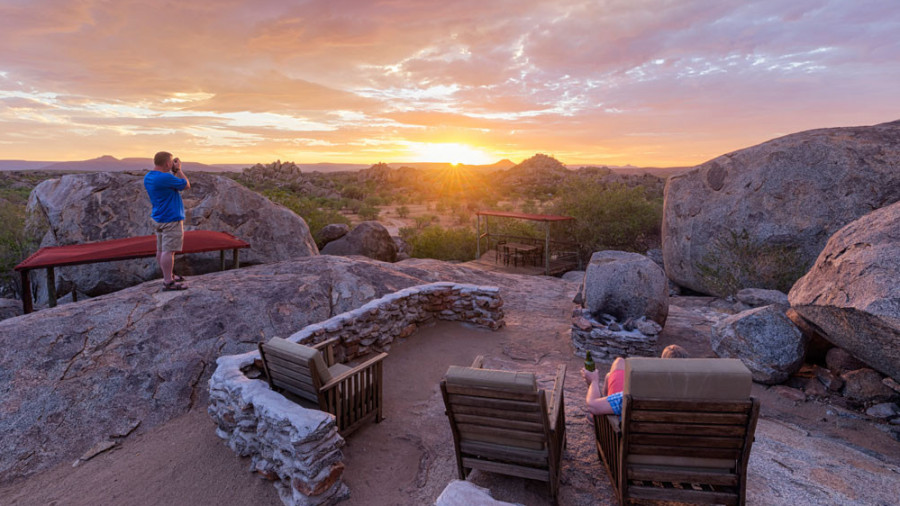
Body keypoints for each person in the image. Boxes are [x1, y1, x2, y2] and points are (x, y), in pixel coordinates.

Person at [582, 345, 692, 417]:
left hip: (635, 448)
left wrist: (594, 381)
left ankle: (601, 417)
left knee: (618, 364)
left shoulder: (639, 394)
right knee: (614, 370)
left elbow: (593, 406)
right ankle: (608, 378)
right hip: (683, 449)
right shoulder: (699, 396)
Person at [144, 151, 190, 291]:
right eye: (171, 163)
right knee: (168, 251)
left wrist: (173, 172)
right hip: (171, 218)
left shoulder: (149, 177)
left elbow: (170, 185)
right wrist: (179, 170)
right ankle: (168, 281)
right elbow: (186, 185)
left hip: (159, 217)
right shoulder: (165, 178)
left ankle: (168, 275)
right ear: (168, 163)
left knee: (161, 250)